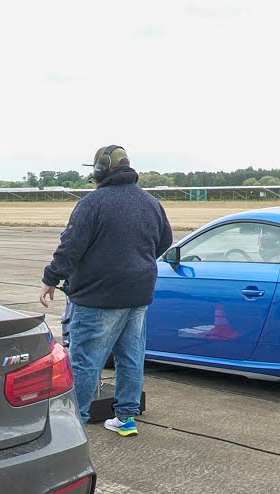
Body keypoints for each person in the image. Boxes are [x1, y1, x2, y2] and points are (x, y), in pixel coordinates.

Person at [39, 144, 172, 437]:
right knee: (131, 355)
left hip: (99, 297)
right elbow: (164, 243)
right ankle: (126, 417)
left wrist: (51, 278)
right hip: (138, 295)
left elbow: (70, 248)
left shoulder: (92, 204)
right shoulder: (151, 203)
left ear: (100, 170)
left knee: (85, 360)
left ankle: (76, 423)